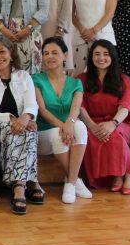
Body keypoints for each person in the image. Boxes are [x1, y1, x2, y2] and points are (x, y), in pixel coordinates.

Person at [0, 36, 42, 215]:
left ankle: (20, 184)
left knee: (29, 131)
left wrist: (26, 117)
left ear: (11, 54)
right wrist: (14, 119)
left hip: (22, 123)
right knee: (16, 132)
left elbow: (31, 103)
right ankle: (25, 184)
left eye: (2, 52)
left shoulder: (23, 75)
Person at [33, 37, 90, 204]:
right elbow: (42, 110)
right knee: (59, 134)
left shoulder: (76, 82)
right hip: (43, 135)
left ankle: (70, 184)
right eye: (46, 53)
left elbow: (76, 108)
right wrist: (64, 126)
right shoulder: (35, 79)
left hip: (67, 132)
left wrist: (70, 123)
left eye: (54, 53)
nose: (50, 56)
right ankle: (76, 180)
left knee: (80, 126)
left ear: (65, 55)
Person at [77, 40, 130, 193]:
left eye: (106, 54)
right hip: (92, 122)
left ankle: (126, 174)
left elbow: (127, 105)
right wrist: (92, 126)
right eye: (97, 54)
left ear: (113, 57)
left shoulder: (123, 79)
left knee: (115, 135)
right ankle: (111, 176)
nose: (101, 58)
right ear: (91, 57)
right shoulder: (82, 79)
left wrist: (113, 123)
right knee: (91, 137)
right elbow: (80, 106)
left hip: (119, 121)